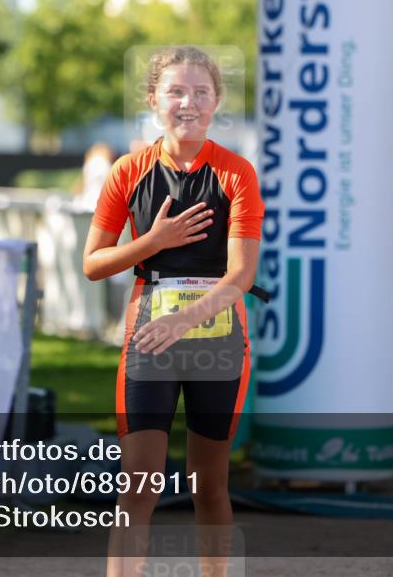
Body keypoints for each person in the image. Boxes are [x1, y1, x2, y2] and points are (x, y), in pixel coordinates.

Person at [82, 46, 265, 576]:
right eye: (176, 91)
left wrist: (185, 320)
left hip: (218, 342)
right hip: (147, 342)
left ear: (216, 101)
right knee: (139, 483)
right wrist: (153, 241)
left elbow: (241, 276)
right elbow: (93, 263)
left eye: (201, 92)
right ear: (153, 100)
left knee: (211, 485)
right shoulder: (128, 171)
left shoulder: (236, 174)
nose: (189, 102)